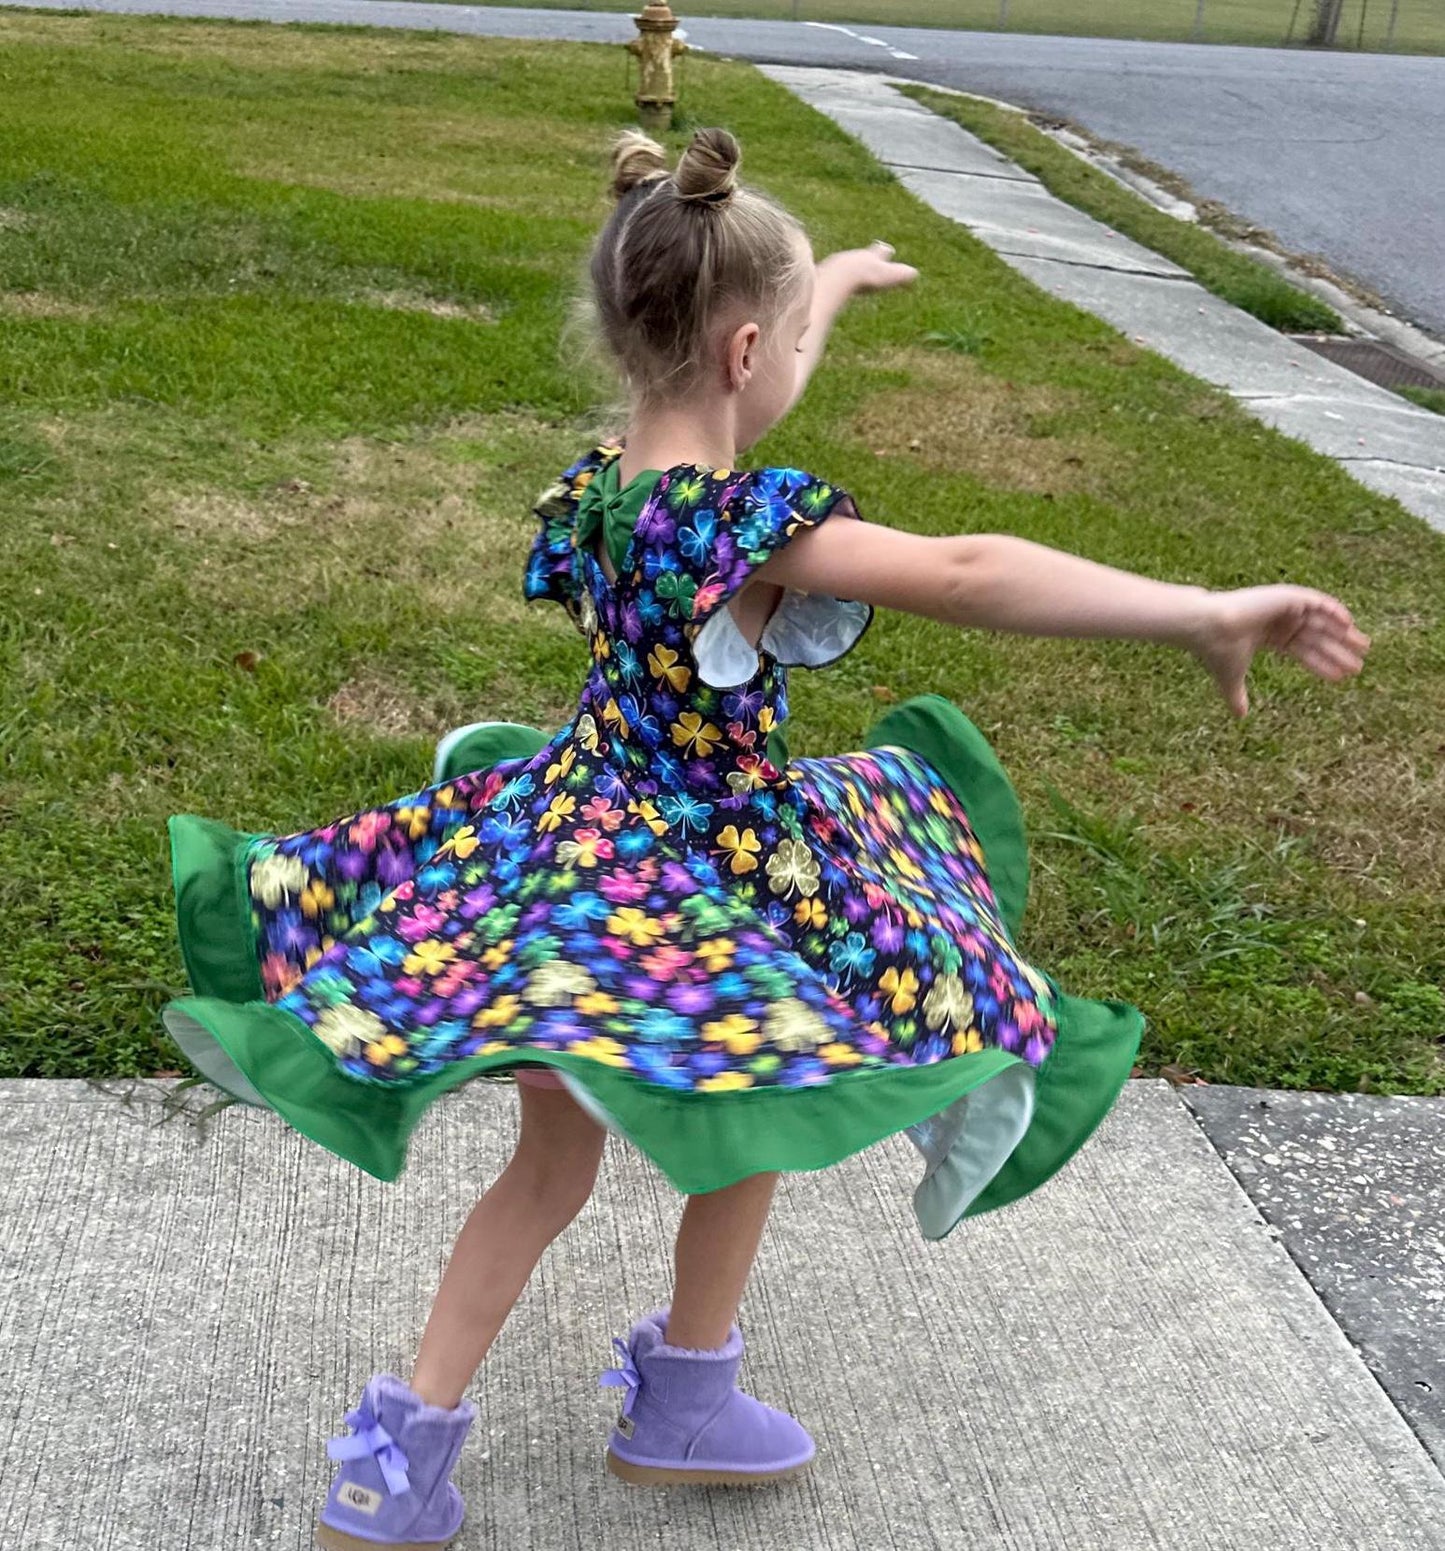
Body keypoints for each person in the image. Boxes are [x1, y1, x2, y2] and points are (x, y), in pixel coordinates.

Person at [160, 127, 1368, 1551]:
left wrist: (834, 281)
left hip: (570, 862)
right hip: (707, 882)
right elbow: (968, 573)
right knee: (758, 1100)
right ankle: (681, 1401)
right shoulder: (744, 528)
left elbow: (739, 372)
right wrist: (1201, 607)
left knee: (550, 1172)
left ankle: (396, 1453)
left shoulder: (598, 489)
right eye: (794, 338)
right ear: (744, 353)